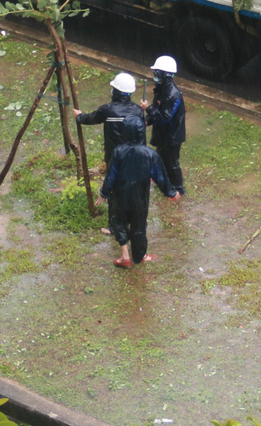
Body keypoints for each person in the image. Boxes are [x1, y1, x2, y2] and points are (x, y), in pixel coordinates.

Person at [100, 116, 178, 268]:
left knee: (119, 222)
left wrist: (104, 193)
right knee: (139, 226)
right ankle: (140, 256)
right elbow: (160, 176)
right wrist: (170, 192)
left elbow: (111, 176)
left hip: (120, 196)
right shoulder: (150, 154)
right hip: (140, 197)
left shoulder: (118, 152)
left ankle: (125, 256)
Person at [74, 72, 145, 166]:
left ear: (116, 91)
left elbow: (91, 118)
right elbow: (142, 138)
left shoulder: (107, 110)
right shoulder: (138, 111)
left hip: (114, 158)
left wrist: (79, 116)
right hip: (133, 159)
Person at [141, 55, 186, 198]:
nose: (155, 76)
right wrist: (148, 120)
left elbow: (165, 117)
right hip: (163, 133)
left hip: (172, 136)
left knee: (172, 163)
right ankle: (164, 180)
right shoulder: (161, 89)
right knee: (160, 158)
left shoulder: (173, 95)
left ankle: (178, 188)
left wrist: (148, 109)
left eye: (157, 73)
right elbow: (157, 110)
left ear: (165, 75)